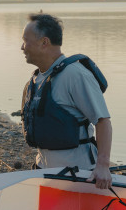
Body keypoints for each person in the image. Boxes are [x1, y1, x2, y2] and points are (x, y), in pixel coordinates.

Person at [20, 13, 113, 190]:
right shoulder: (35, 81)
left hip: (78, 175)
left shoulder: (75, 75)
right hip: (44, 171)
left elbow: (103, 121)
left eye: (25, 40)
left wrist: (103, 166)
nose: (22, 47)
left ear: (44, 42)